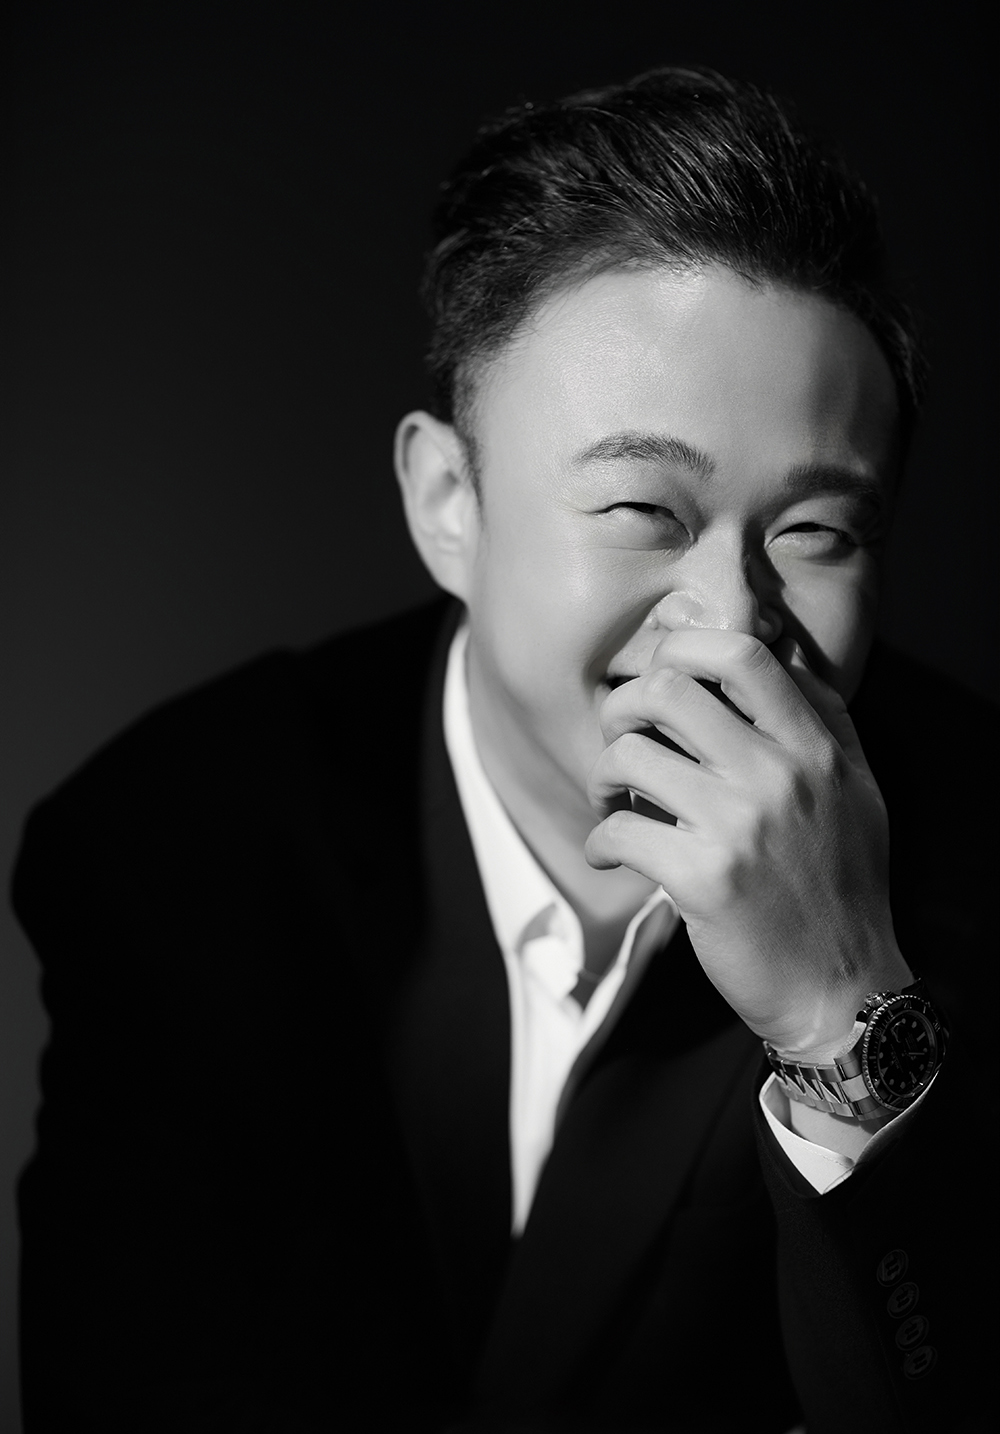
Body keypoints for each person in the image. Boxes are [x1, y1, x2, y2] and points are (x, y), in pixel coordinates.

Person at [12, 66, 994, 1433]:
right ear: (447, 504)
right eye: (645, 509)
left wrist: (843, 1010)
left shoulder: (986, 854)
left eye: (817, 532)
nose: (729, 625)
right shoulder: (175, 848)